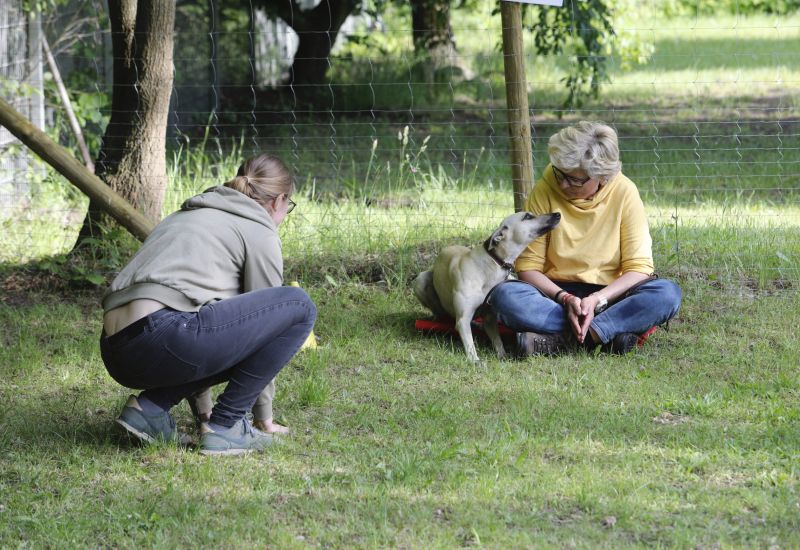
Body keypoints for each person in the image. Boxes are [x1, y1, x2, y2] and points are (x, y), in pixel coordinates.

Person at [100, 153, 316, 455]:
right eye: (287, 208)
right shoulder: (259, 229)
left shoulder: (188, 213)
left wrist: (203, 414)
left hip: (117, 350)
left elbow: (208, 326)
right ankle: (228, 427)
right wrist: (262, 418)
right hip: (166, 335)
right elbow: (264, 331)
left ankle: (149, 409)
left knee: (202, 323)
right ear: (279, 201)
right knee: (300, 306)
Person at [487, 121, 682, 355]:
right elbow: (528, 268)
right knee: (504, 296)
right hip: (554, 296)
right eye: (560, 173)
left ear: (603, 176)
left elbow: (639, 268)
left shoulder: (625, 192)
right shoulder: (544, 190)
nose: (562, 183)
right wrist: (566, 298)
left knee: (667, 294)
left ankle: (565, 340)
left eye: (575, 180)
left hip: (611, 296)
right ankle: (605, 335)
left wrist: (597, 300)